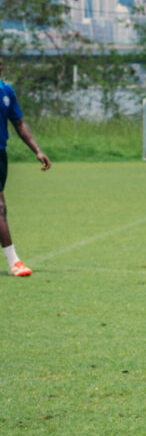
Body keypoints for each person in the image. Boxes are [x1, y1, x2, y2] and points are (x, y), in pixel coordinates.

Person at [0, 58, 51, 277]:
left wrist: (37, 150)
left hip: (0, 154)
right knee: (0, 207)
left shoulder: (6, 91)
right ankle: (14, 262)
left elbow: (19, 123)